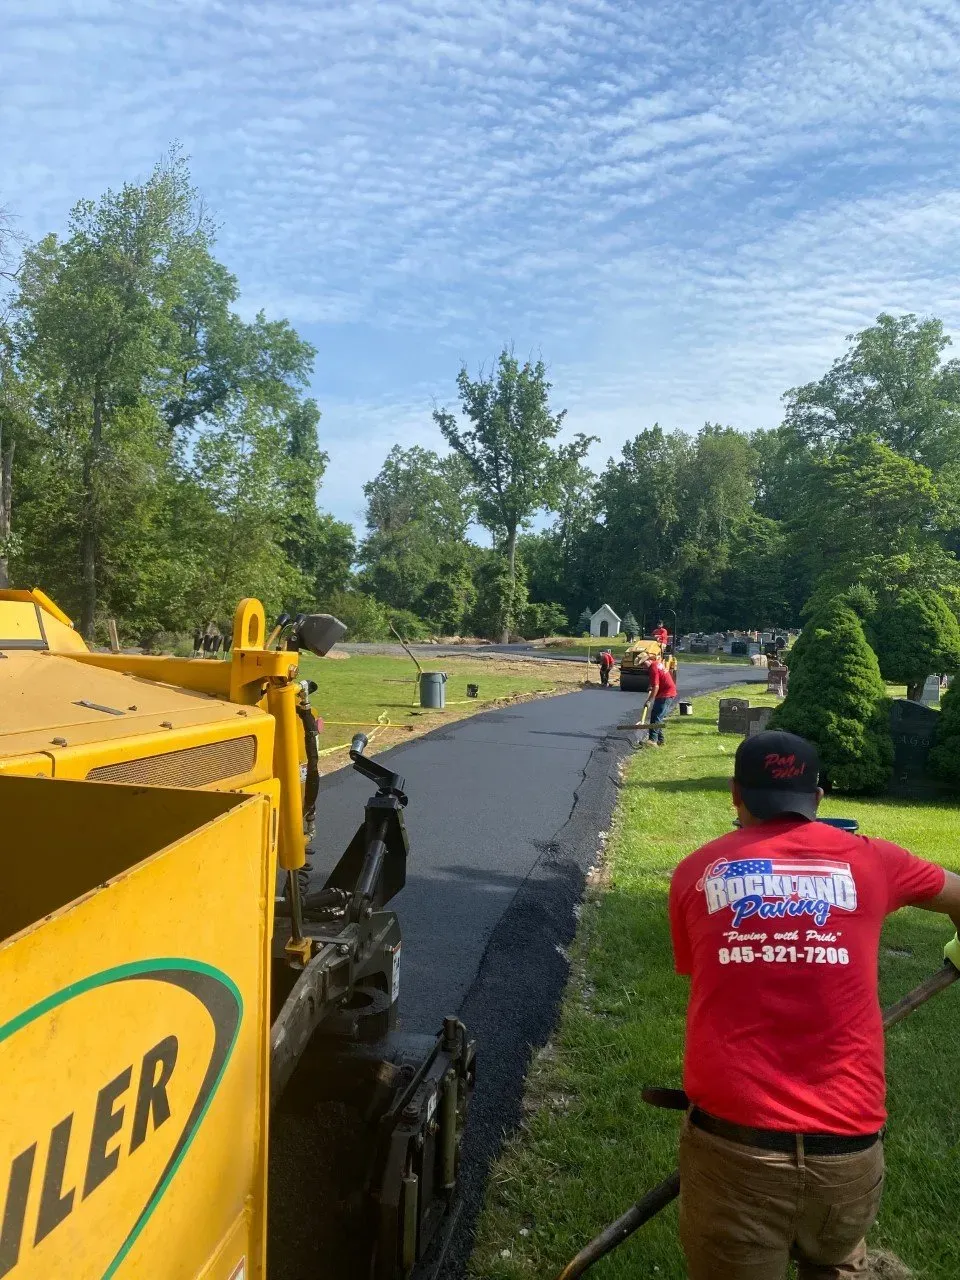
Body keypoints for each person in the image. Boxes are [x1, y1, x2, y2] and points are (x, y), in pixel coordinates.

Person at [668, 730, 960, 1280]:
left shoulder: (697, 873)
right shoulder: (876, 861)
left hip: (735, 1150)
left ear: (735, 793)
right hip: (848, 1153)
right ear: (818, 798)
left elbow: (704, 973)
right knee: (837, 1261)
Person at [640, 652, 677, 745]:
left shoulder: (653, 667)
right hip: (667, 692)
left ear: (648, 660)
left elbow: (656, 686)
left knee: (656, 717)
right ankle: (660, 740)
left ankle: (652, 741)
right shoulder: (656, 664)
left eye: (644, 664)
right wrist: (651, 686)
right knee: (657, 716)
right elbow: (656, 682)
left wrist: (649, 701)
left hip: (666, 694)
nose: (643, 667)